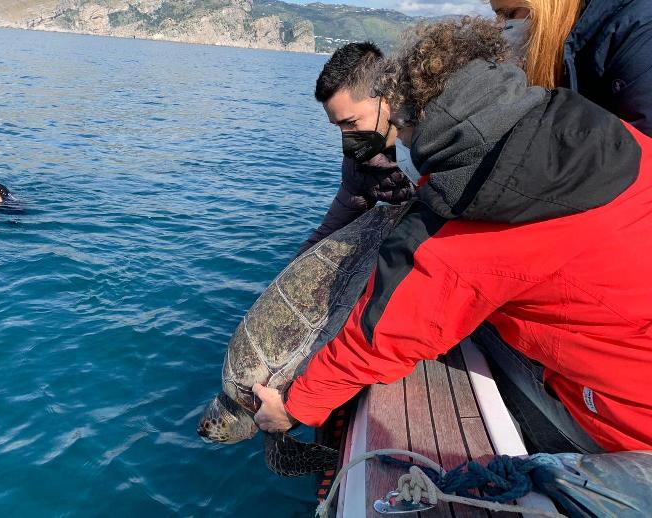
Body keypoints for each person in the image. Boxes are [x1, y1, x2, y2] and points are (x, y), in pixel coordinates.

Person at [253, 18, 652, 454]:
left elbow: (380, 338)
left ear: (406, 113)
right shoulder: (597, 128)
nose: (399, 142)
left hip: (629, 421)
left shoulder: (467, 217)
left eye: (403, 129)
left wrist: (294, 408)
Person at [297, 43, 414, 256]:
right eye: (338, 126)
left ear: (387, 97)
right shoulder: (360, 164)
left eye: (351, 122)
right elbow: (329, 232)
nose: (346, 137)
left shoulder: (440, 135)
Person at [492, 0, 652, 136]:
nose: (501, 27)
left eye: (510, 14)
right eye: (497, 16)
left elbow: (637, 158)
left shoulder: (639, 32)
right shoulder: (558, 47)